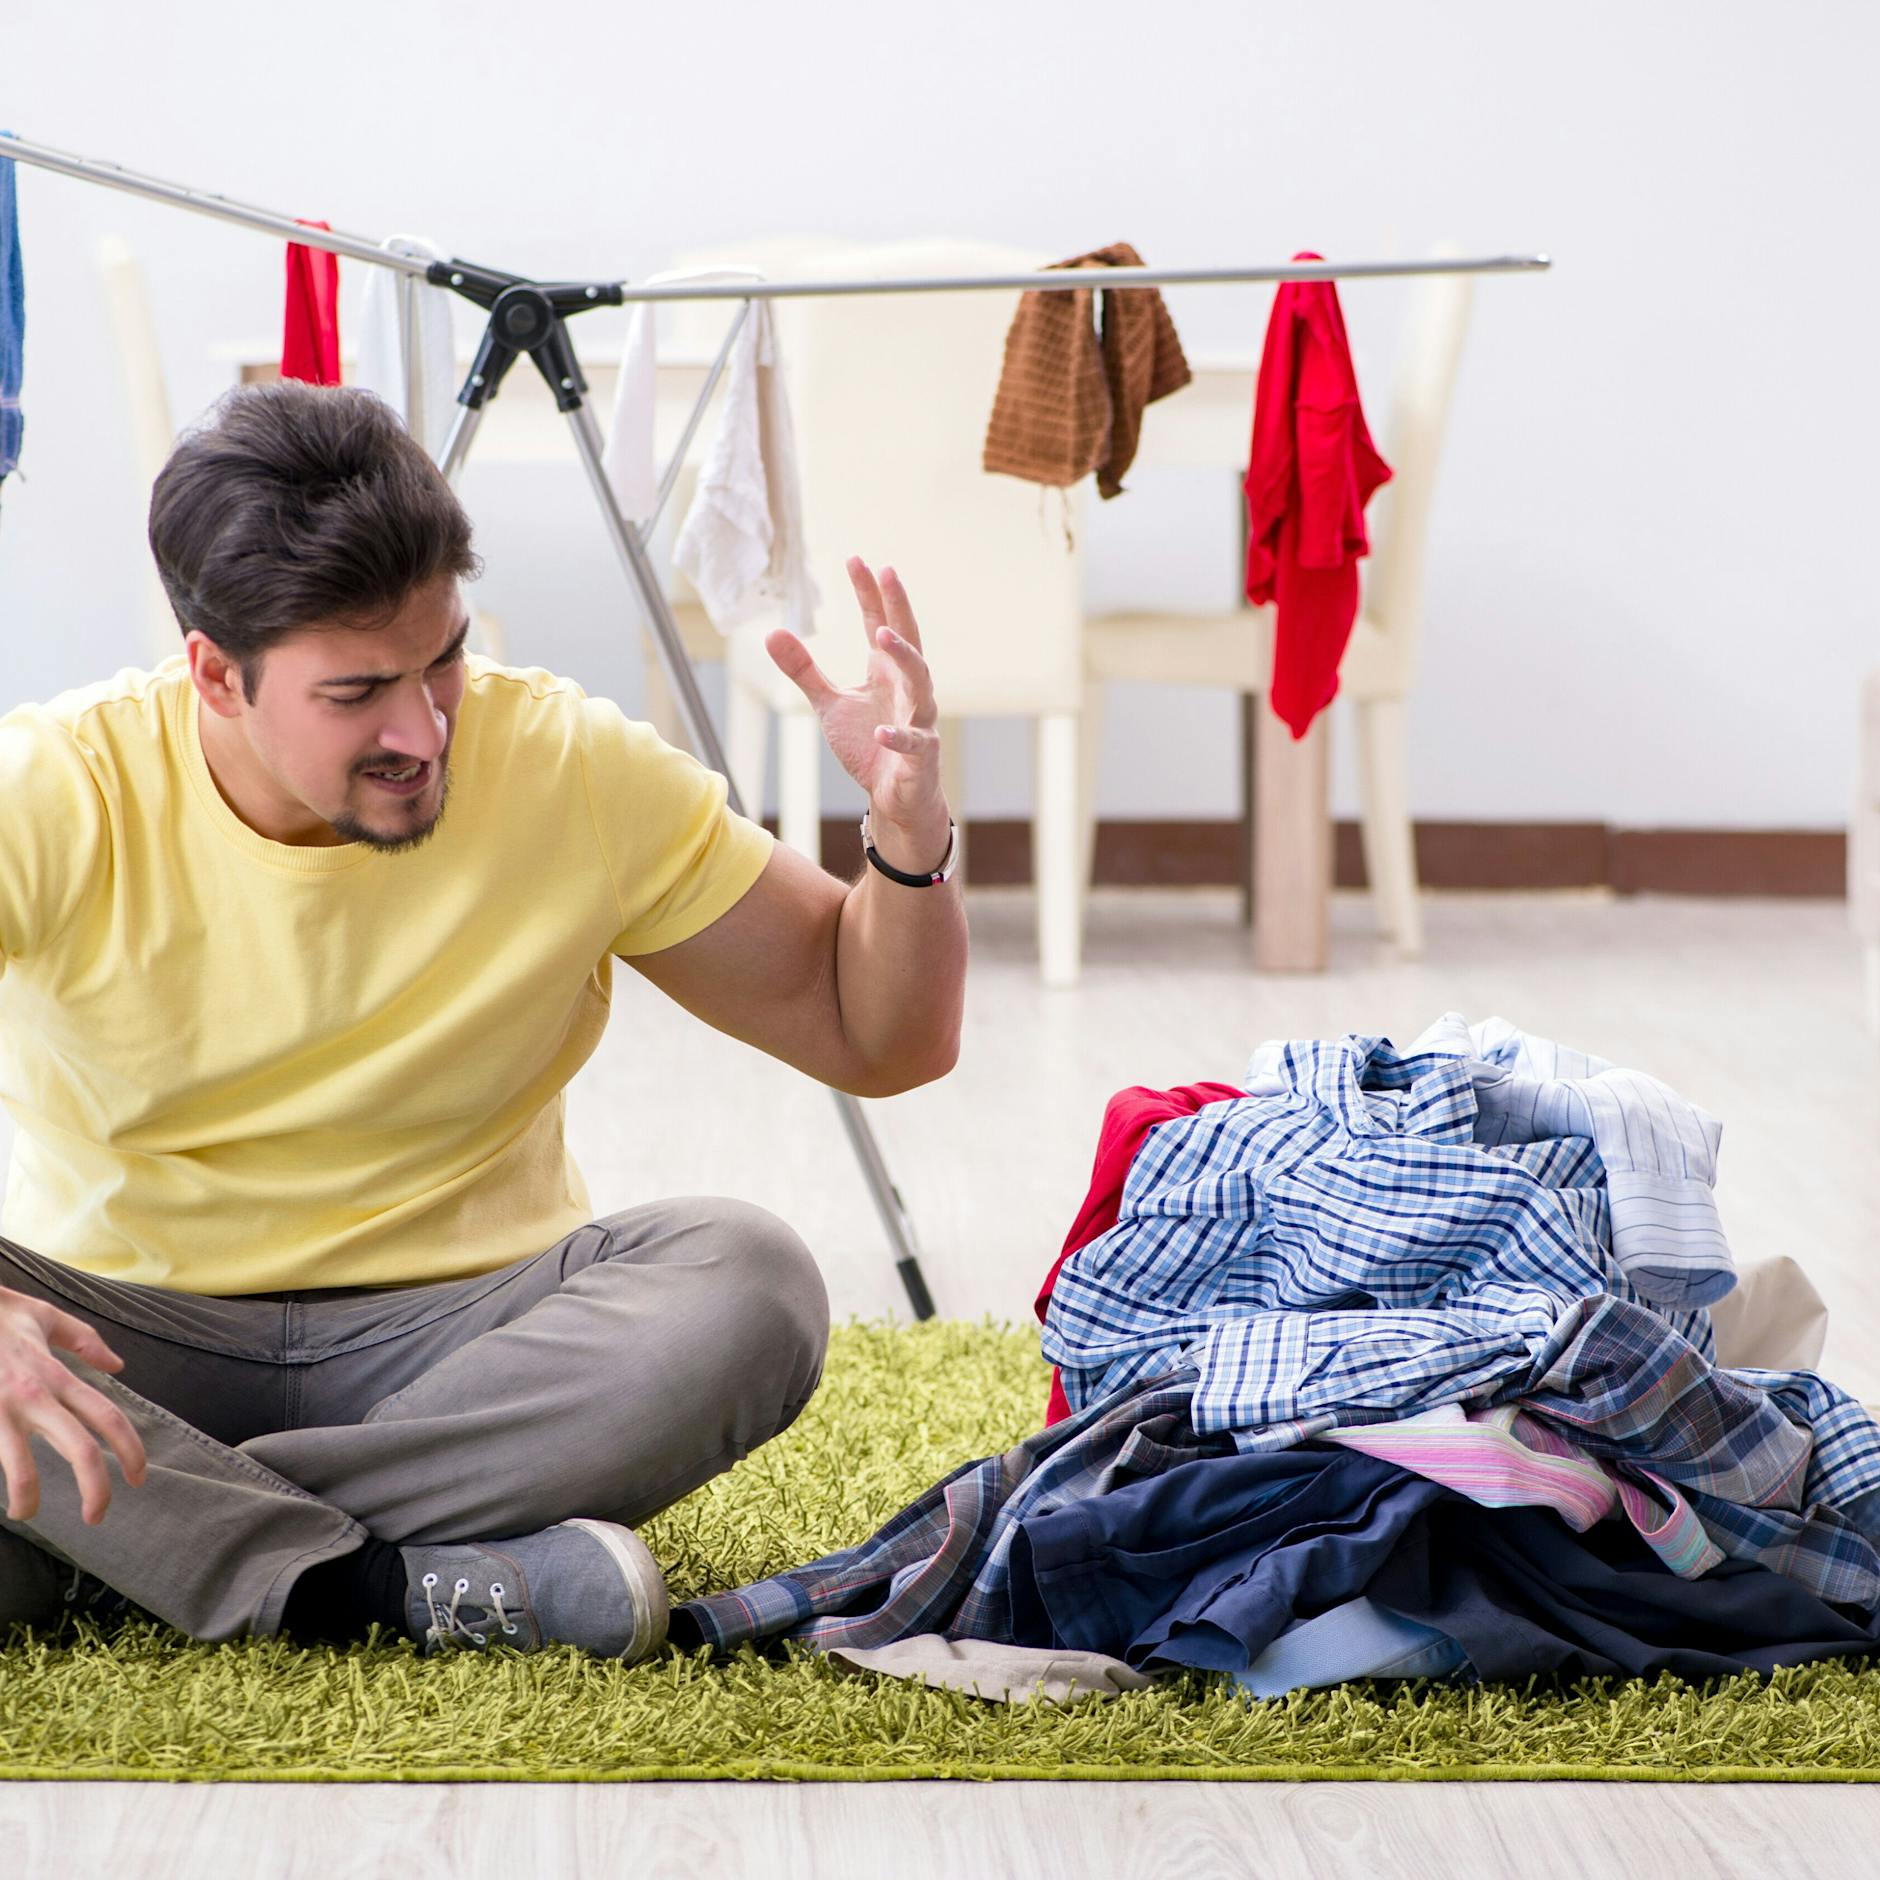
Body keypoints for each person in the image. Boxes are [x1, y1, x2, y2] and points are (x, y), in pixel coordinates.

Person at [0, 381, 966, 1658]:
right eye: (356, 692)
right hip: (125, 1343)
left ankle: (143, 1541)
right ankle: (381, 1588)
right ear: (216, 677)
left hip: (467, 1348)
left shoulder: (567, 764)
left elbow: (878, 1036)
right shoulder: (55, 788)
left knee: (750, 1280)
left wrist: (907, 843)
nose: (424, 729)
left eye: (442, 658)